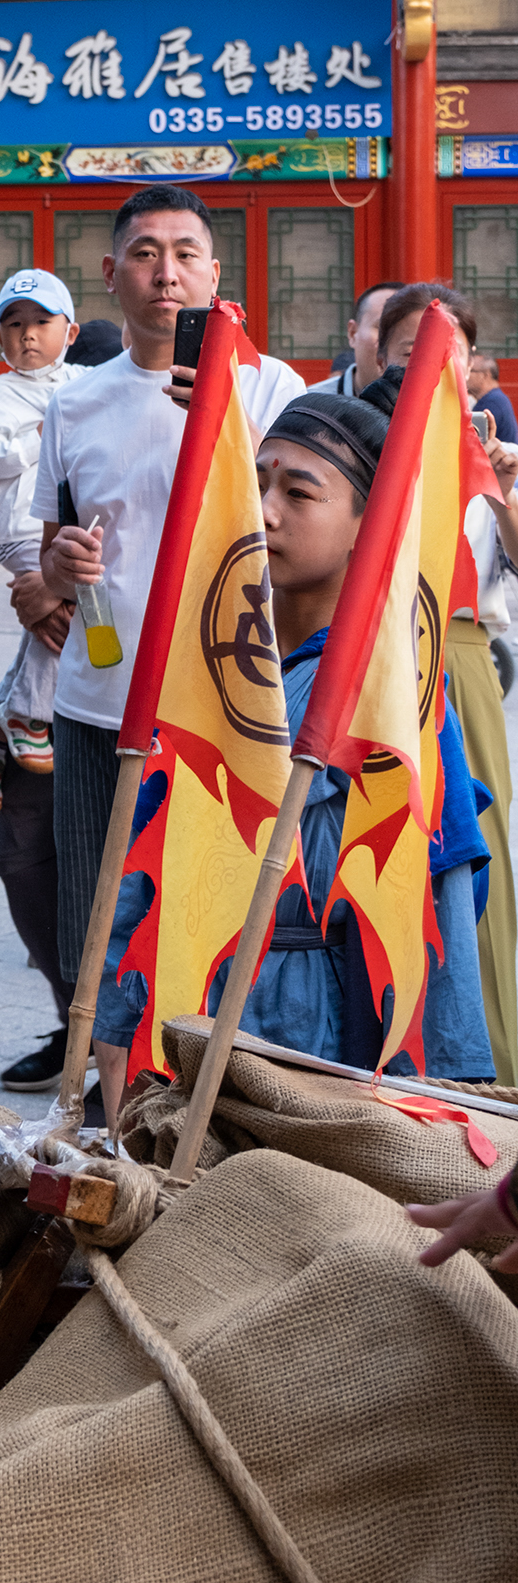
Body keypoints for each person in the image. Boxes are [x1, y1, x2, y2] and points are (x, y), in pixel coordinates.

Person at [94, 389, 496, 1125]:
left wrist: (443, 1087)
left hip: (322, 1025)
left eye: (298, 492)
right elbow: (147, 859)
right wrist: (118, 1026)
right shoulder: (216, 662)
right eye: (258, 483)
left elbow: (438, 906)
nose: (264, 510)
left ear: (366, 529)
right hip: (191, 998)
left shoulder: (392, 692)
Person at [30, 184, 307, 1023]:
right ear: (112, 276)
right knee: (97, 912)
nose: (167, 273)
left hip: (231, 700)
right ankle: (100, 1109)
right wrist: (62, 560)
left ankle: (202, 1104)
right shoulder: (73, 400)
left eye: (186, 254)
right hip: (99, 701)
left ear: (215, 275)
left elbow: (296, 531)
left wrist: (228, 431)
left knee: (217, 913)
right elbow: (47, 554)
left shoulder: (271, 387)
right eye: (145, 255)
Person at [376, 281, 518, 1086]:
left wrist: (500, 486)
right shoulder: (361, 437)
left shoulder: (488, 450)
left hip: (459, 652)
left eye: (452, 351)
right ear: (382, 354)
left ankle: (492, 1063)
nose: (433, 363)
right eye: (411, 348)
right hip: (372, 656)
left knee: (474, 850)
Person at [0, 270, 81, 1094]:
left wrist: (57, 590)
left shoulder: (98, 390)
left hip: (94, 590)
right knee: (28, 861)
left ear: (72, 328)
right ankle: (71, 1015)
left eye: (43, 323)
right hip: (30, 554)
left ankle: (112, 1035)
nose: (29, 337)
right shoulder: (6, 396)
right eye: (15, 325)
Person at [310, 280, 402, 398]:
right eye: (382, 328)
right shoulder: (311, 404)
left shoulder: (433, 406)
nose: (394, 341)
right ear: (353, 333)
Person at [469, 352, 518, 445]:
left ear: (485, 375)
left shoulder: (491, 403)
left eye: (471, 370)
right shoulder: (496, 398)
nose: (465, 375)